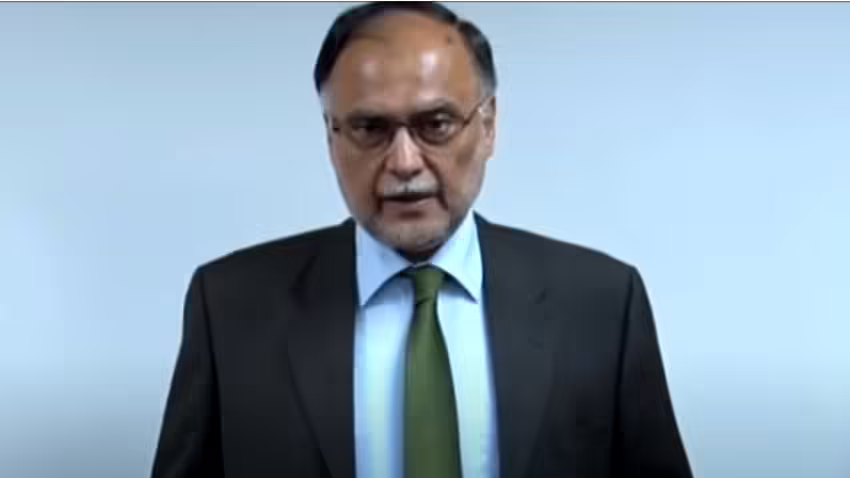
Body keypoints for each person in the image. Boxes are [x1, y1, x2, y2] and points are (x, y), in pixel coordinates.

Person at [151, 2, 693, 477]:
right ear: (331, 136)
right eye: (370, 128)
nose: (405, 162)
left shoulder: (602, 303)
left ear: (488, 125)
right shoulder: (230, 307)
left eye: (436, 124)